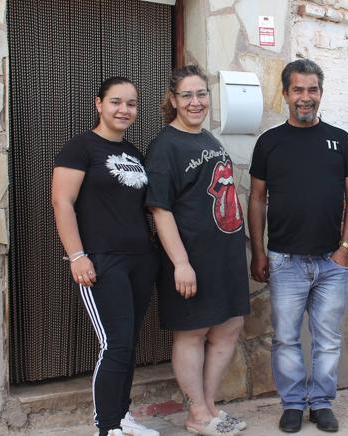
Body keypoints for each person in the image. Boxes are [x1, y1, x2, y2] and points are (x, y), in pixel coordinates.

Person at [248, 58, 348, 434]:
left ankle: (322, 402)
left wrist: (345, 247)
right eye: (298, 89)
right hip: (285, 260)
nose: (305, 97)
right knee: (285, 338)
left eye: (312, 89)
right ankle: (294, 403)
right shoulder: (270, 143)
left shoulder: (340, 140)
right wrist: (260, 252)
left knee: (327, 339)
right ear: (285, 94)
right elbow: (257, 199)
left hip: (332, 261)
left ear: (320, 94)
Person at [144, 65, 250, 436]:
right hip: (191, 258)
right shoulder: (165, 146)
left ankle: (207, 410)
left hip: (225, 256)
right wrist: (181, 263)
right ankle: (197, 413)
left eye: (201, 94)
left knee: (230, 326)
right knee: (191, 332)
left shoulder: (207, 139)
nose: (195, 102)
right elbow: (160, 209)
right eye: (186, 95)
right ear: (172, 100)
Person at [52, 77, 160, 436]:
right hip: (101, 259)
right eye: (116, 102)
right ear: (99, 104)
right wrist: (77, 255)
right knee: (114, 342)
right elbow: (61, 202)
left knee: (128, 342)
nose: (124, 110)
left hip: (140, 259)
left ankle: (123, 417)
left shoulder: (135, 152)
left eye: (131, 104)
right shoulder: (79, 148)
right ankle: (107, 427)